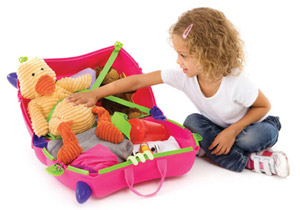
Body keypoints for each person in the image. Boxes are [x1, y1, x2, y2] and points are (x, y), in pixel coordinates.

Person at [67, 7, 289, 177]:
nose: (177, 61)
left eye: (183, 55)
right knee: (191, 122)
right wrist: (97, 94)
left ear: (207, 55)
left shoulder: (236, 82)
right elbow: (138, 81)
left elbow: (263, 106)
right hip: (217, 126)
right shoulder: (183, 77)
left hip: (248, 126)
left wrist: (232, 132)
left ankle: (237, 155)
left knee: (255, 137)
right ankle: (244, 159)